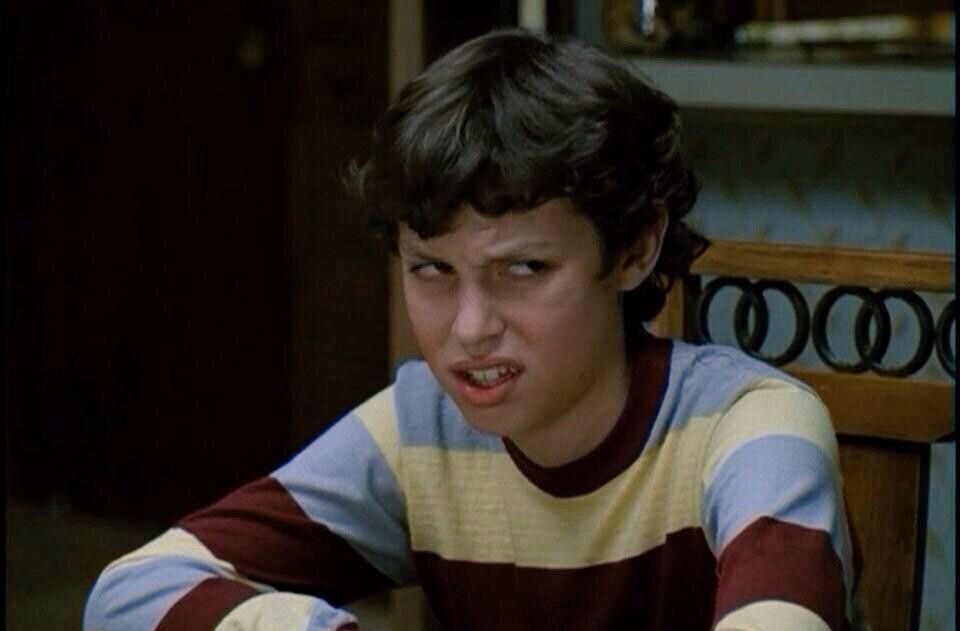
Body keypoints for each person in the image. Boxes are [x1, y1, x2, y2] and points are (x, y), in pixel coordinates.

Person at [84, 28, 861, 631]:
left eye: (522, 268)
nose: (469, 328)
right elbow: (131, 592)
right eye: (431, 268)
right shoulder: (422, 430)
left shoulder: (751, 425)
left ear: (635, 247)